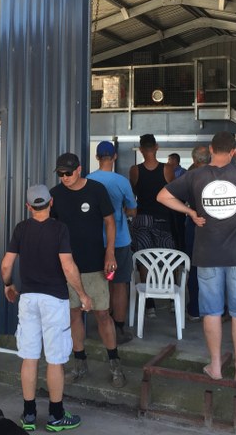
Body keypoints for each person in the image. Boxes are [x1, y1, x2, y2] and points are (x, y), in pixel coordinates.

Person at [157, 131, 236, 383]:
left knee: (212, 312)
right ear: (233, 150)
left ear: (210, 149)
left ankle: (215, 366)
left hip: (207, 254)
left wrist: (191, 212)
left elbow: (162, 196)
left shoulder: (195, 175)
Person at [1, 184, 92, 432]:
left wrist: (8, 285)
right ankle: (56, 416)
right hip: (54, 301)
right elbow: (68, 265)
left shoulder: (21, 229)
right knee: (54, 360)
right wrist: (83, 294)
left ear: (28, 207)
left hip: (28, 299)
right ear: (51, 203)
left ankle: (29, 415)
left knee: (29, 358)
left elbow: (7, 264)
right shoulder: (60, 229)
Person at [50, 152, 126, 388]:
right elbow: (49, 228)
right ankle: (80, 363)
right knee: (73, 314)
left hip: (94, 263)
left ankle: (114, 363)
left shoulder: (96, 190)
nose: (64, 177)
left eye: (68, 173)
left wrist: (110, 252)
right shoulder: (55, 195)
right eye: (60, 173)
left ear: (79, 169)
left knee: (102, 314)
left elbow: (110, 222)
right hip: (67, 266)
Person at [86, 141, 137, 344]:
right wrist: (123, 211)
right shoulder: (121, 181)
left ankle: (102, 325)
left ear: (97, 158)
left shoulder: (88, 180)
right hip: (120, 241)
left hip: (95, 241)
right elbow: (133, 210)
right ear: (114, 156)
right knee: (119, 284)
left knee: (99, 283)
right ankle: (118, 328)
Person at [129, 134, 176, 317]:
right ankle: (172, 299)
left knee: (144, 259)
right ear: (156, 147)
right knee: (169, 259)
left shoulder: (135, 170)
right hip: (164, 217)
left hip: (143, 218)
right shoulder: (168, 169)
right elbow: (173, 192)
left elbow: (134, 192)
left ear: (141, 149)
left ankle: (149, 305)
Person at [182, 145, 211, 321]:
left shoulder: (189, 177)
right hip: (215, 225)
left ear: (194, 160)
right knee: (215, 267)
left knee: (193, 267)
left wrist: (191, 212)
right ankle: (216, 309)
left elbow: (170, 197)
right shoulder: (219, 175)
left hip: (194, 223)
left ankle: (194, 309)